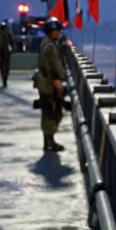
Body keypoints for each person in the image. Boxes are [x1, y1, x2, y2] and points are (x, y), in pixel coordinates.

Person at [36, 16, 67, 152]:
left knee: (48, 113)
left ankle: (47, 141)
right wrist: (59, 78)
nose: (59, 33)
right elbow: (53, 64)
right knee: (53, 113)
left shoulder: (46, 43)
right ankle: (50, 142)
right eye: (57, 31)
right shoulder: (49, 46)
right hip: (49, 84)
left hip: (45, 83)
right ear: (51, 31)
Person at [0, 20, 14, 87]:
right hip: (2, 53)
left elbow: (12, 43)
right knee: (3, 67)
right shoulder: (1, 35)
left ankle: (4, 80)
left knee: (5, 67)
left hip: (5, 53)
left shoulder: (4, 35)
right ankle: (4, 80)